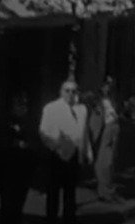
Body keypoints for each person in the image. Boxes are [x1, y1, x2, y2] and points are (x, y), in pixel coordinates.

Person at [39, 80, 92, 224]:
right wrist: (56, 147)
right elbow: (43, 132)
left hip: (74, 155)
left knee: (70, 191)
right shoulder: (51, 108)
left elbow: (84, 132)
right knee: (53, 191)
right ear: (61, 92)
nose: (70, 94)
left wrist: (88, 152)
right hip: (56, 155)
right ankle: (51, 219)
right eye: (67, 90)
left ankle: (69, 218)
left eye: (73, 91)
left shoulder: (81, 110)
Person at [0, 92, 38, 224]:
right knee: (7, 203)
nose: (23, 107)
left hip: (24, 170)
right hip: (7, 169)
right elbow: (0, 142)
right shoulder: (5, 121)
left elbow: (35, 141)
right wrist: (16, 143)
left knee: (19, 201)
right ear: (12, 106)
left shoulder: (30, 122)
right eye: (19, 104)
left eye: (25, 104)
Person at [88, 76, 122, 202]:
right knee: (104, 161)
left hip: (114, 128)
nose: (108, 88)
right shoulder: (96, 100)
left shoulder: (113, 99)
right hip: (104, 130)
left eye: (110, 85)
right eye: (106, 85)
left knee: (111, 160)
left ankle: (108, 189)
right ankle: (104, 191)